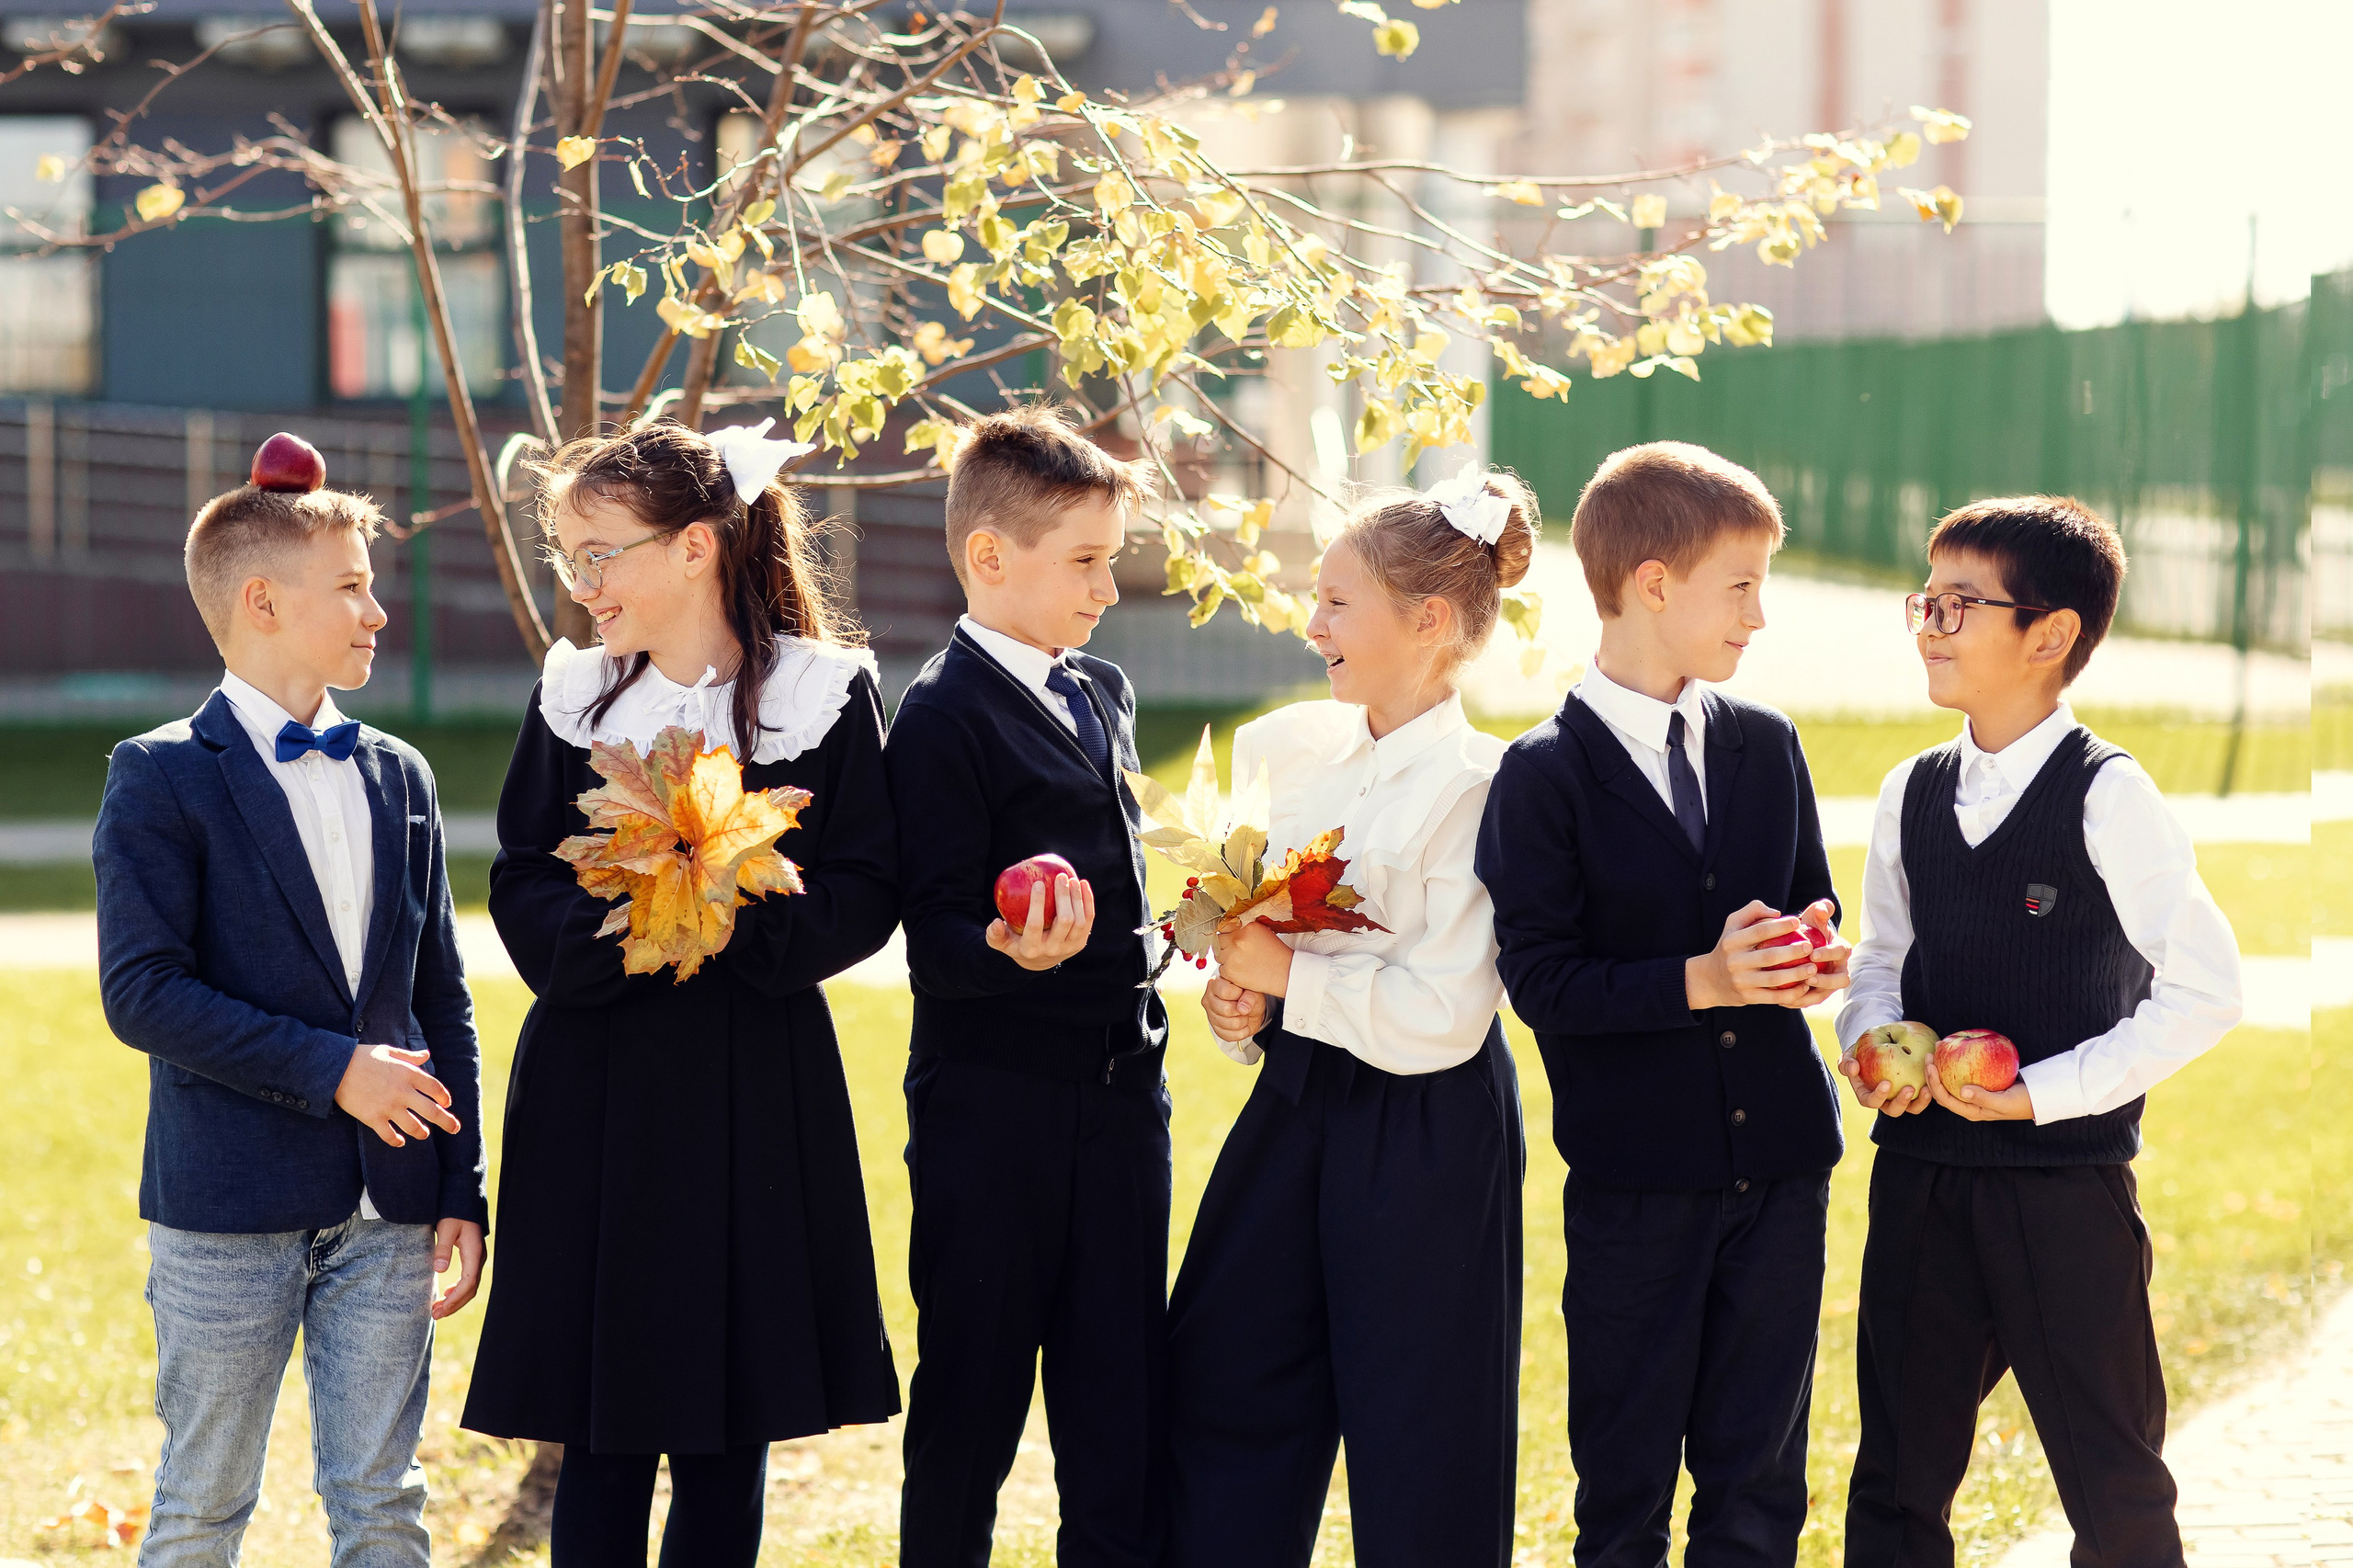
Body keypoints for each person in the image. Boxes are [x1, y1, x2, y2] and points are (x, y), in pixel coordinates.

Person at [458, 420, 902, 1567]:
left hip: (752, 1084)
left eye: (600, 553)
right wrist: (632, 925)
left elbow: (866, 884)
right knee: (598, 1425)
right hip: (594, 1085)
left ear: (695, 546)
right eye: (568, 557)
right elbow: (521, 873)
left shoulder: (819, 694)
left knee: (728, 1423)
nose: (581, 582)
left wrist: (728, 912)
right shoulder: (575, 695)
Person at [94, 448, 486, 1564]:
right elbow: (143, 991)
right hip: (227, 1209)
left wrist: (460, 1181)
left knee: (384, 1499)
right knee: (204, 1502)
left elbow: (438, 994)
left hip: (391, 1206)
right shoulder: (161, 774)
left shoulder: (401, 774)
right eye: (351, 586)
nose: (378, 610)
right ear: (262, 601)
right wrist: (334, 1068)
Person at [1835, 496, 2243, 1568]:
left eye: (1959, 604)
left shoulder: (2109, 795)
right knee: (1894, 1481)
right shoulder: (1909, 791)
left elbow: (2207, 988)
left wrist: (2039, 1093)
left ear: (2049, 634)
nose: (1929, 624)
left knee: (2114, 1486)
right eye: (1925, 600)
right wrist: (1874, 1041)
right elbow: (1878, 963)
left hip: (2064, 1190)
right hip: (1921, 1180)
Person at [1475, 441, 1851, 1568]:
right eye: (1739, 587)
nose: (1758, 615)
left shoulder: (1765, 743)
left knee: (1759, 1483)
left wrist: (1811, 953)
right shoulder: (1541, 775)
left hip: (1780, 1168)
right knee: (1625, 1486)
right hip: (1635, 1186)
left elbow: (1809, 897)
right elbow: (1541, 982)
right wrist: (1705, 978)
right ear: (1651, 584)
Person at [1170, 467, 1534, 1568]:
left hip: (1430, 1132)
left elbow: (1446, 1012)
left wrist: (1286, 975)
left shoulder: (1486, 787)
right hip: (1294, 1108)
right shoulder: (1282, 748)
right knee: (1224, 1379)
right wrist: (1240, 1006)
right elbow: (1256, 951)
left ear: (1428, 621)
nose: (1311, 623)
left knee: (1424, 1430)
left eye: (1336, 602)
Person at [882, 405, 1169, 1568]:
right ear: (991, 557)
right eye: (1086, 561)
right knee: (972, 1399)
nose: (1108, 587)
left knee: (1119, 1400)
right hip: (992, 1115)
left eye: (1113, 557)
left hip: (1124, 1102)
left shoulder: (1102, 688)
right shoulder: (940, 714)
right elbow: (931, 936)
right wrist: (1006, 950)